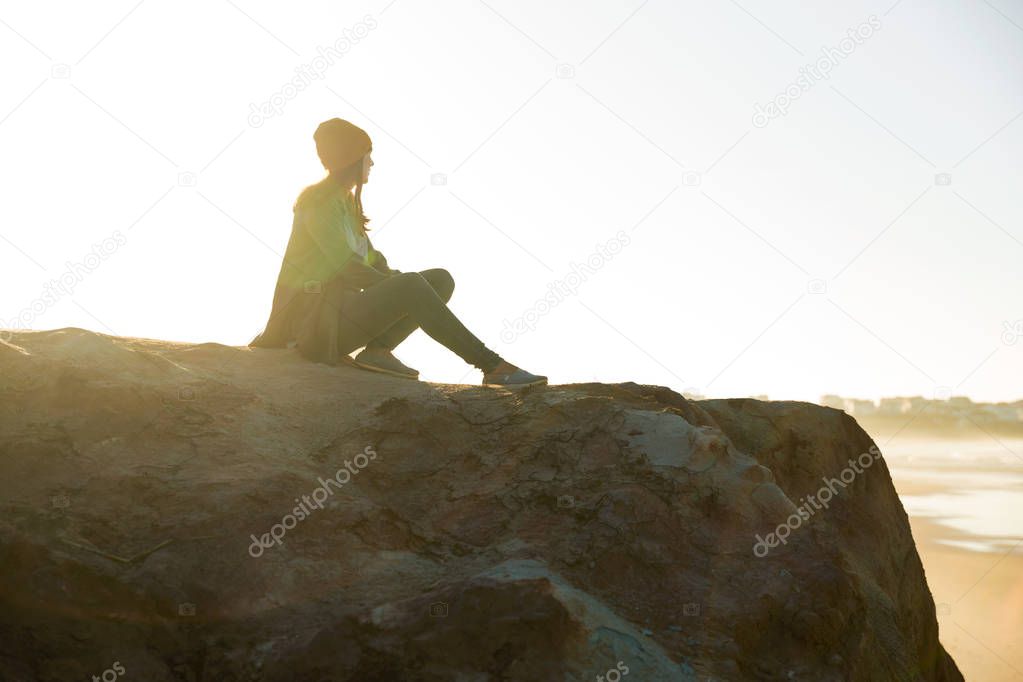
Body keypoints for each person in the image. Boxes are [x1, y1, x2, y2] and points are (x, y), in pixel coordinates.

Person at [250, 117, 547, 388]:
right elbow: (345, 266)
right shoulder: (317, 200)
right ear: (351, 157)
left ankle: (378, 351)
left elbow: (371, 259)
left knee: (439, 280)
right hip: (312, 326)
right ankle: (491, 365)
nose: (373, 163)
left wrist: (398, 281)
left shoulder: (346, 203)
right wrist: (400, 286)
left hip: (340, 314)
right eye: (368, 154)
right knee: (411, 285)